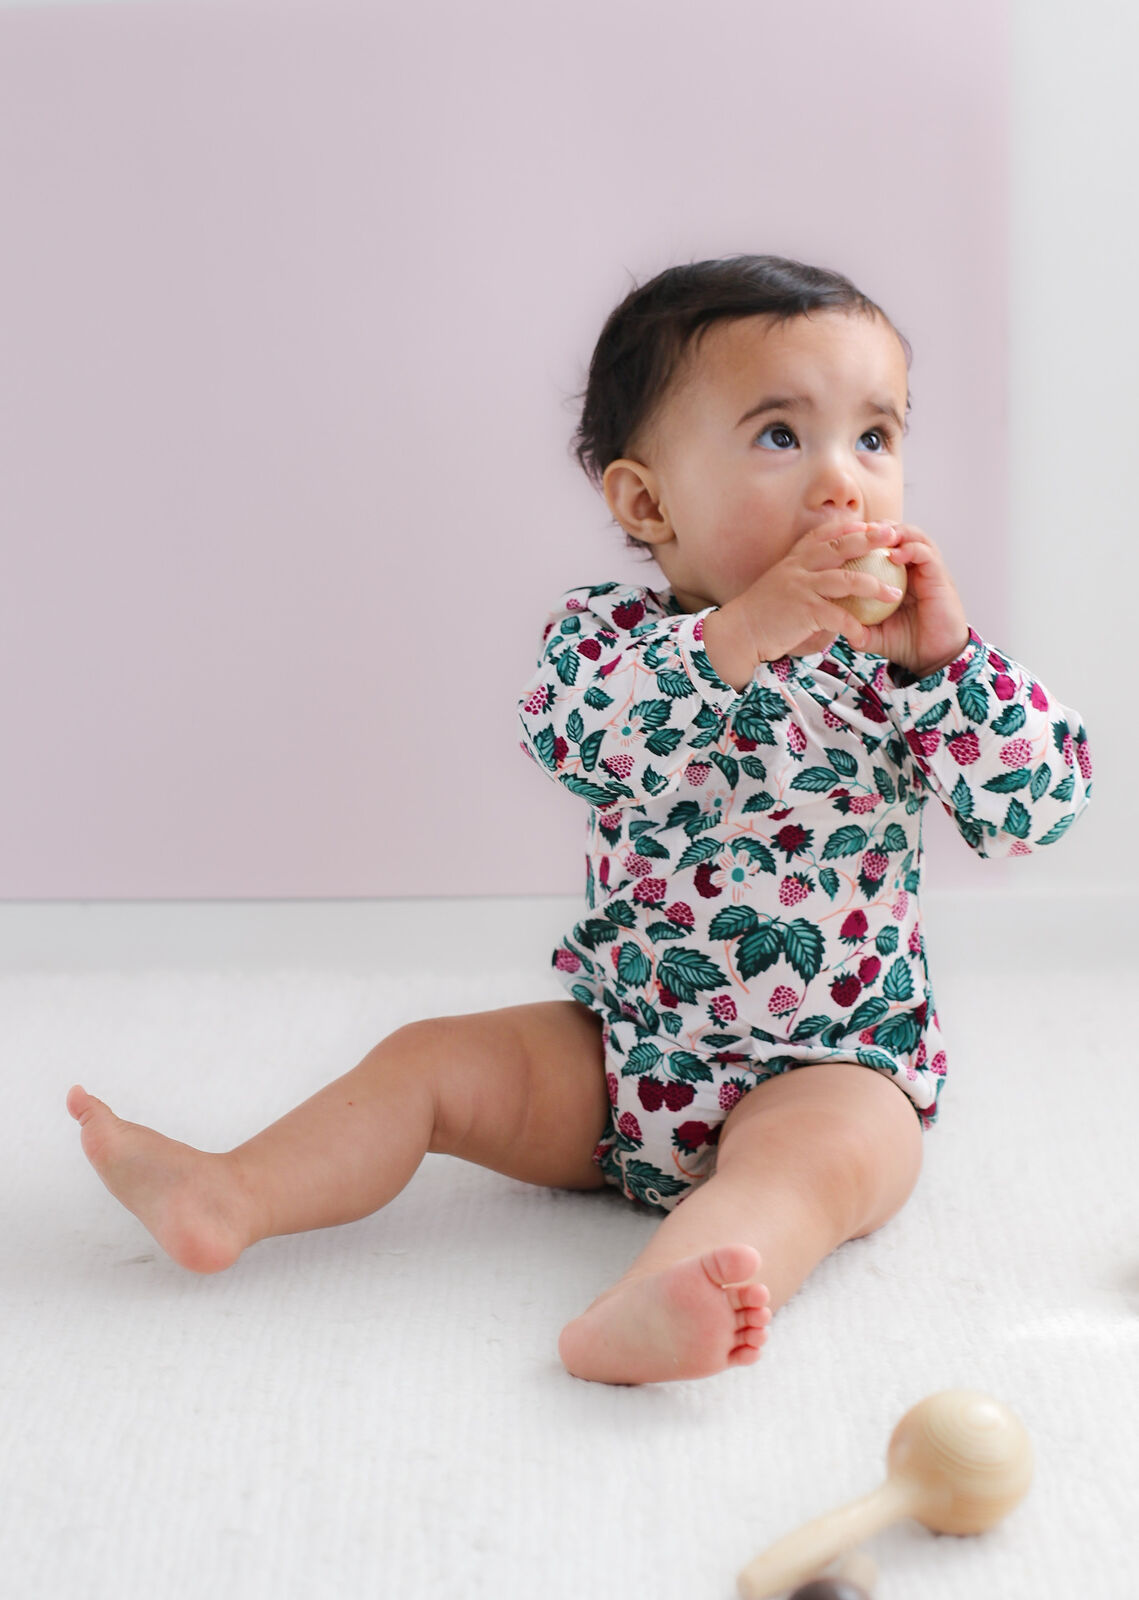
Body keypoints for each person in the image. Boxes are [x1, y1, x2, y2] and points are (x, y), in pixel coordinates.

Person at [67, 254, 1093, 1387]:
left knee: (815, 1164)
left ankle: (660, 1299)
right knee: (426, 1062)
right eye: (778, 435)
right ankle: (232, 1192)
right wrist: (739, 634)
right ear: (646, 503)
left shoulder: (905, 674)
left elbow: (1034, 815)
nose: (841, 484)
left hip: (832, 1061)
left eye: (874, 437)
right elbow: (578, 743)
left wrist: (950, 670)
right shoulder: (612, 643)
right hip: (621, 1053)